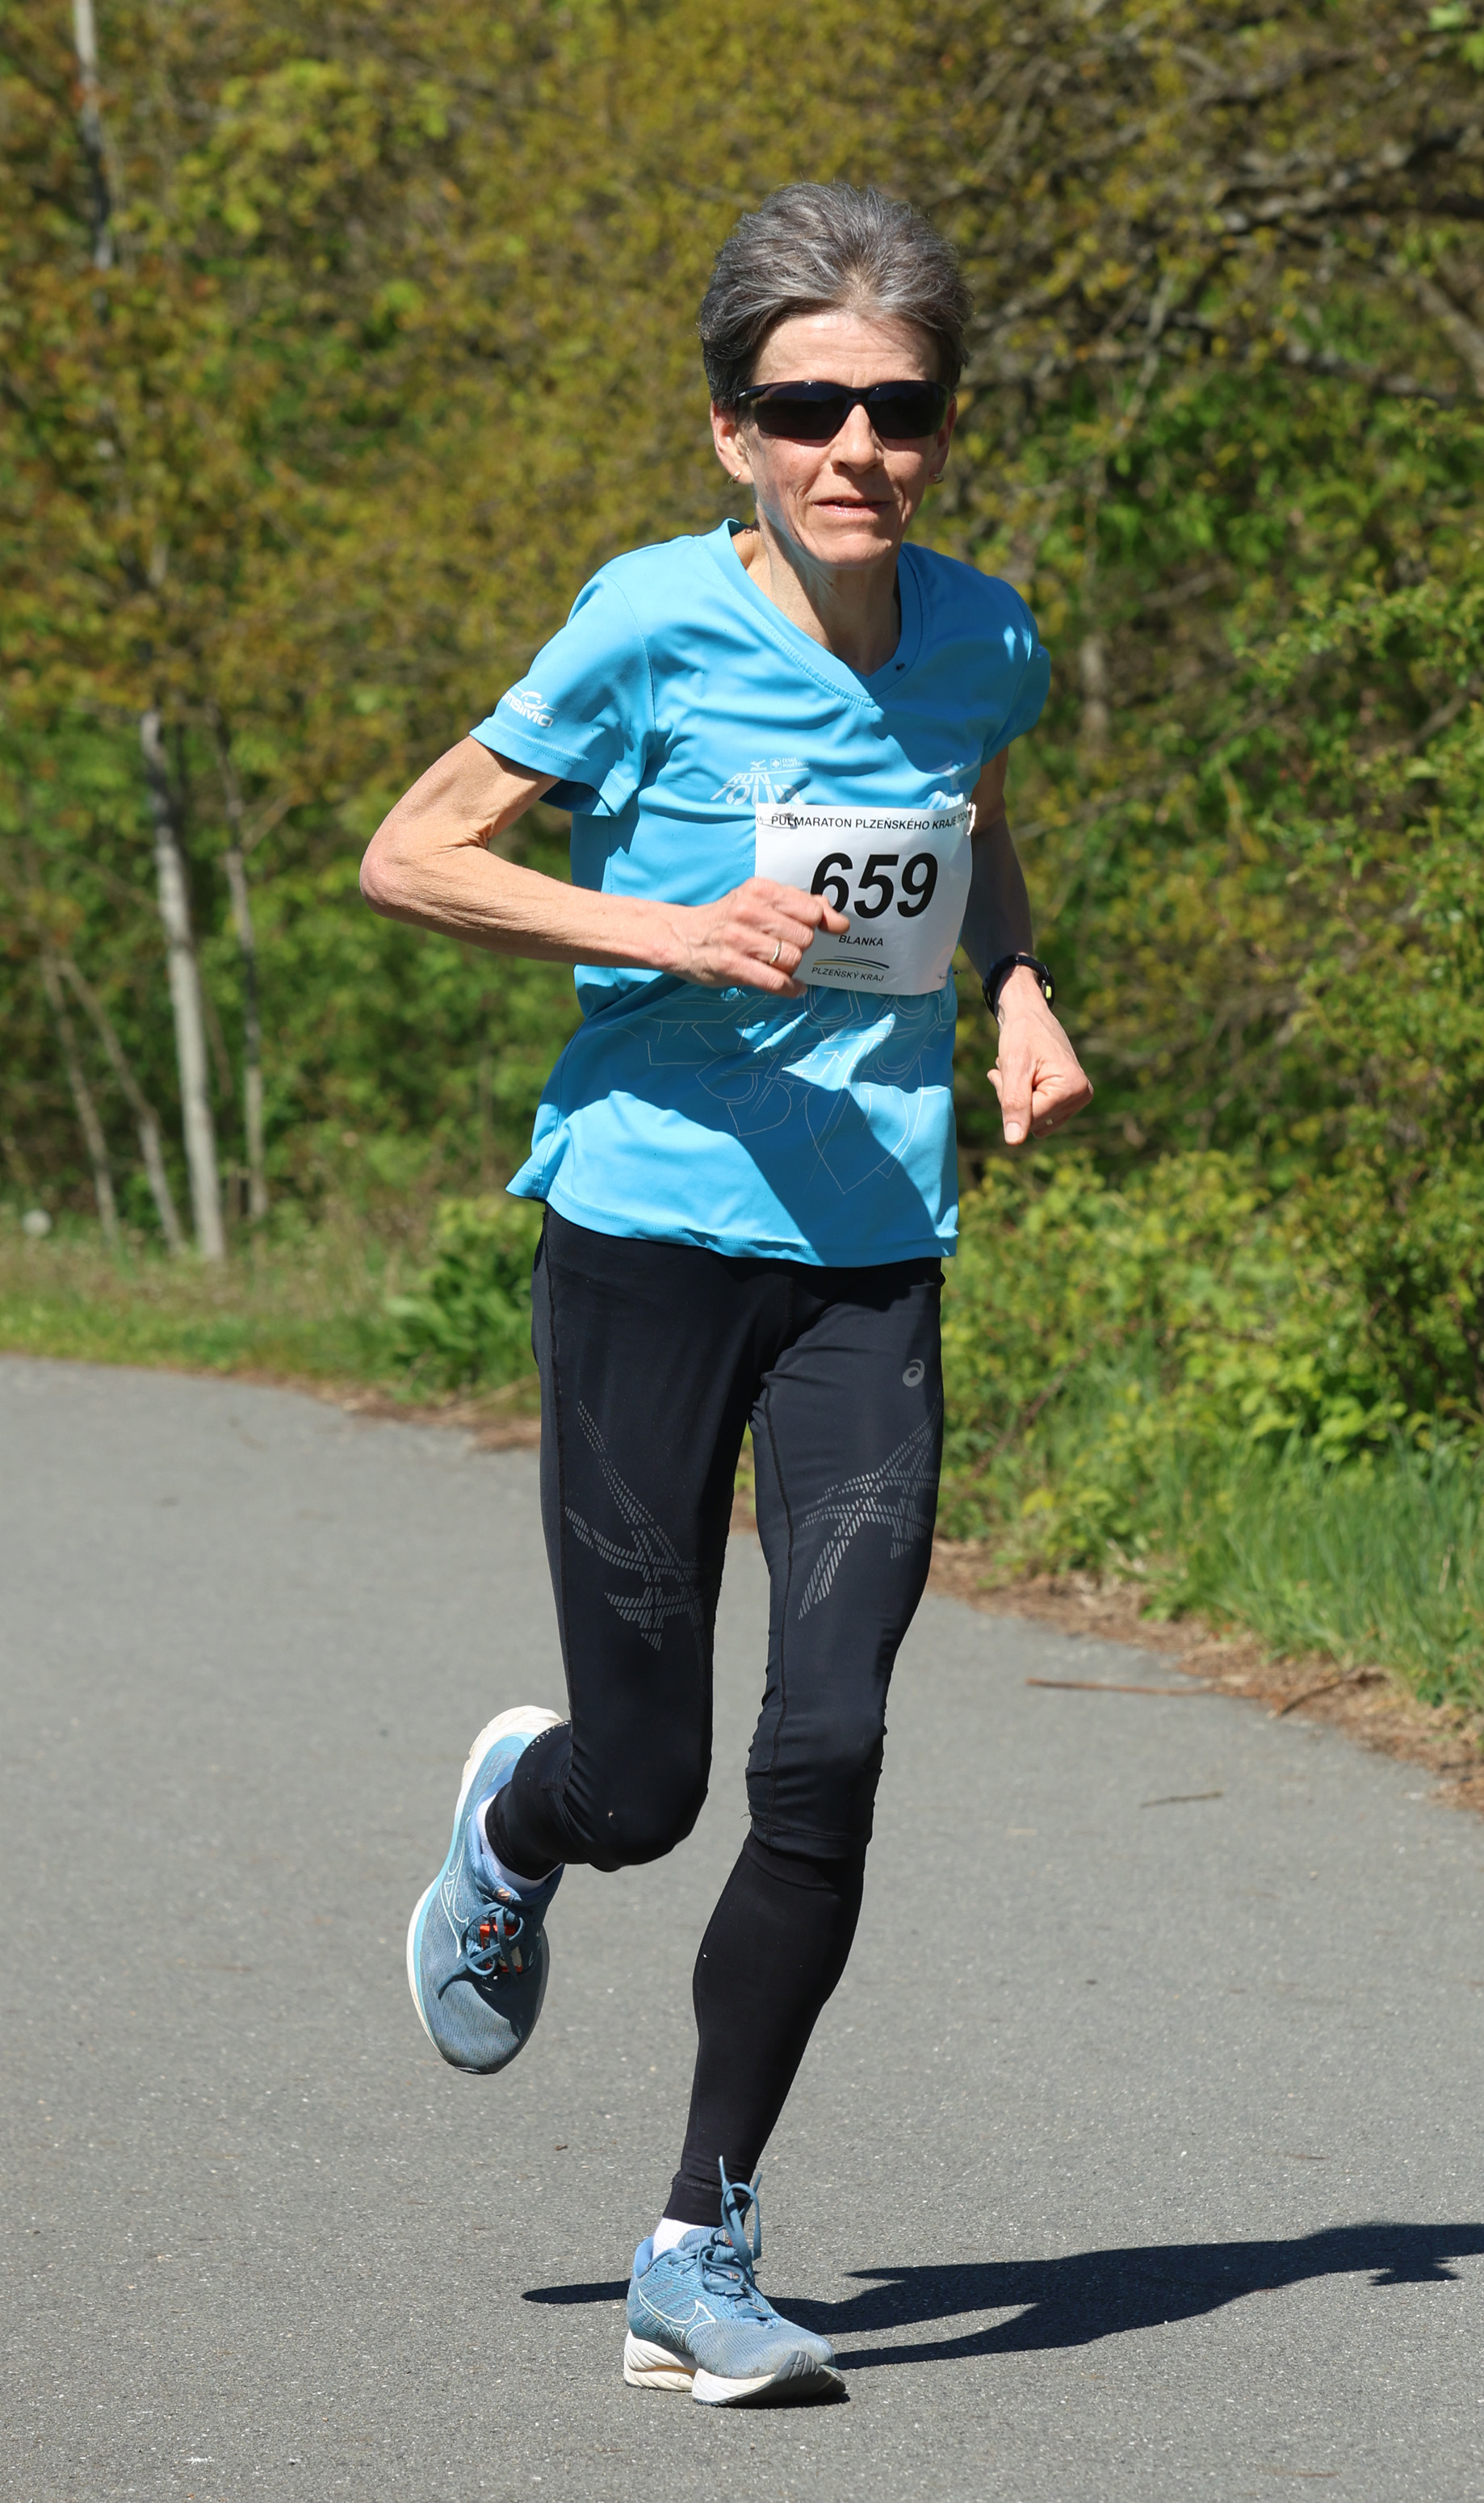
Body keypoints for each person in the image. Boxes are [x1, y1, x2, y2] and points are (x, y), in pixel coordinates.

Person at [360, 181, 1092, 2408]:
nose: (858, 444)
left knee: (831, 1745)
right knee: (652, 1780)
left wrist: (1018, 986)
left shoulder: (986, 639)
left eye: (901, 406)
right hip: (650, 1242)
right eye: (809, 406)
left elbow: (969, 827)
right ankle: (521, 1816)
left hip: (870, 1259)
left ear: (942, 426)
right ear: (732, 430)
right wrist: (665, 932)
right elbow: (411, 853)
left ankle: (700, 2239)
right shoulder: (647, 623)